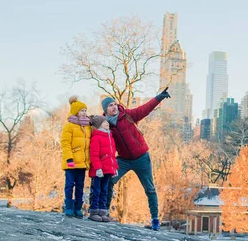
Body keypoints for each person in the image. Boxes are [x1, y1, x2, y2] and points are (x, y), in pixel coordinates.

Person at [102, 87, 170, 230]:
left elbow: (145, 109)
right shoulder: (105, 125)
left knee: (150, 189)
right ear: (105, 110)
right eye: (110, 106)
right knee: (108, 180)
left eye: (114, 104)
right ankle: (104, 212)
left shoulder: (127, 115)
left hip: (141, 158)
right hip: (123, 160)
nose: (114, 107)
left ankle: (155, 219)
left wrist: (159, 97)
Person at [60, 96, 91, 219]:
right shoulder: (69, 126)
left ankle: (78, 208)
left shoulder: (87, 126)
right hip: (71, 162)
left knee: (80, 186)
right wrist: (69, 159)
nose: (84, 113)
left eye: (85, 110)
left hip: (82, 162)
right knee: (69, 184)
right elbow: (65, 143)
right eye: (82, 110)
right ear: (76, 112)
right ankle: (68, 207)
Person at [88, 115, 118, 222]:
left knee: (104, 190)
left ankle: (102, 211)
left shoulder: (110, 137)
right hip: (98, 170)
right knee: (96, 190)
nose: (107, 123)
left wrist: (114, 168)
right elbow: (94, 154)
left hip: (108, 170)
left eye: (107, 122)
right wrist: (97, 168)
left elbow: (112, 155)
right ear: (99, 125)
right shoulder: (96, 137)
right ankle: (94, 211)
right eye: (104, 122)